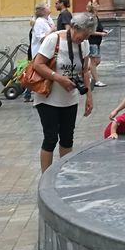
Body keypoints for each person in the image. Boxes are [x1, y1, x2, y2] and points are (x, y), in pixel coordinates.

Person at [30, 10, 95, 172]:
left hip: (69, 100)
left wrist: (89, 96)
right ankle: (46, 177)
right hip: (48, 98)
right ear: (74, 27)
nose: (83, 39)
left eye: (87, 36)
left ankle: (64, 175)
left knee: (67, 139)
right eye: (82, 35)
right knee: (50, 138)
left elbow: (85, 71)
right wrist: (59, 78)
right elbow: (38, 64)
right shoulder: (54, 40)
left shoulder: (84, 44)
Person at [27, 0, 54, 103]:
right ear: (43, 10)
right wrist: (52, 30)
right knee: (40, 77)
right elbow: (41, 38)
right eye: (47, 5)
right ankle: (38, 98)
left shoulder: (47, 19)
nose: (49, 6)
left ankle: (45, 94)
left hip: (48, 52)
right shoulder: (39, 22)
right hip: (40, 53)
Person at [84, 0, 109, 88]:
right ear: (93, 7)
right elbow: (90, 31)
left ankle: (83, 73)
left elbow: (97, 28)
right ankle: (96, 81)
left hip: (97, 42)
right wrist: (101, 33)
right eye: (96, 4)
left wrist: (103, 30)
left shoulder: (95, 16)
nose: (98, 5)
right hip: (92, 42)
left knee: (97, 61)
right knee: (94, 61)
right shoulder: (91, 17)